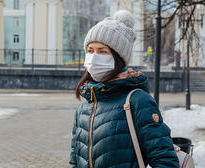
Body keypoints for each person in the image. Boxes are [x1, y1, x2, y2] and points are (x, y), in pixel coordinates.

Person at [69, 10, 179, 168]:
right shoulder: (83, 107)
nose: (94, 57)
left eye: (102, 51)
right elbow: (75, 161)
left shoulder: (138, 101)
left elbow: (165, 160)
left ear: (118, 58)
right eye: (90, 50)